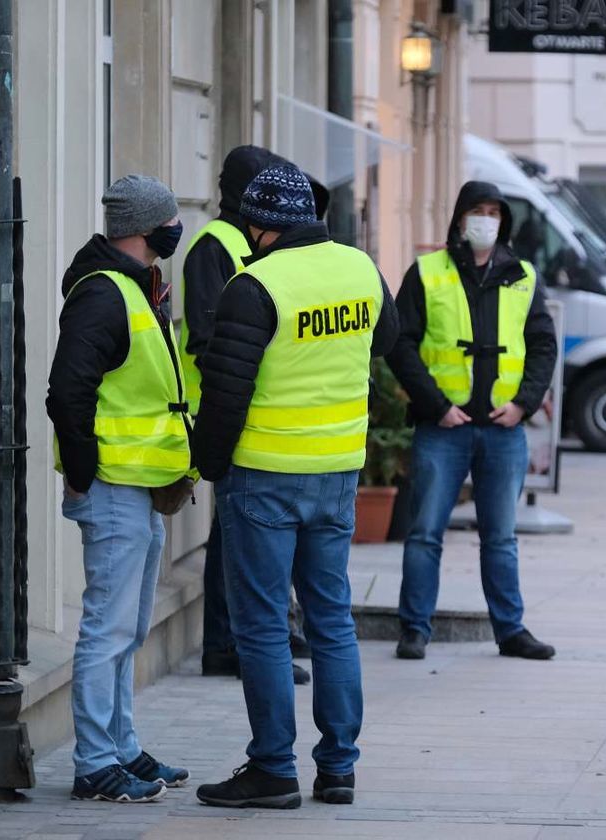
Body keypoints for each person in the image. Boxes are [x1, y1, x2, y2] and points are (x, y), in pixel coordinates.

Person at [191, 163, 399, 808]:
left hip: (265, 475)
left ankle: (274, 768)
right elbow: (387, 339)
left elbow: (226, 391)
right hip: (336, 471)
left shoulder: (254, 284)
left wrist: (208, 463)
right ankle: (338, 768)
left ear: (259, 224)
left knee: (260, 627)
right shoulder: (360, 267)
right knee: (332, 619)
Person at [47, 175, 194, 802]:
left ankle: (123, 748)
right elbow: (67, 394)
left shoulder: (137, 287)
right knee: (107, 629)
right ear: (146, 228)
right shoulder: (105, 294)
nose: (176, 228)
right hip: (113, 484)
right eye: (168, 220)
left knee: (130, 627)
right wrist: (87, 474)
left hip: (139, 483)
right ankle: (94, 763)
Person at [388, 181, 558, 662]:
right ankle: (415, 629)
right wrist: (436, 404)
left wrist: (525, 402)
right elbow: (401, 345)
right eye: (477, 211)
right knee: (424, 533)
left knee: (500, 537)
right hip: (442, 427)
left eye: (493, 212)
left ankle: (510, 630)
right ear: (459, 218)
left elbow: (543, 345)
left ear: (504, 221)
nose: (486, 220)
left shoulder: (523, 276)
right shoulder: (426, 273)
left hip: (504, 429)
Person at [183, 145, 320, 686]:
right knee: (231, 539)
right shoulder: (215, 246)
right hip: (228, 410)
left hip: (263, 413)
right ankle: (226, 644)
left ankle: (255, 635)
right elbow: (209, 338)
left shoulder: (259, 243)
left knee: (249, 536)